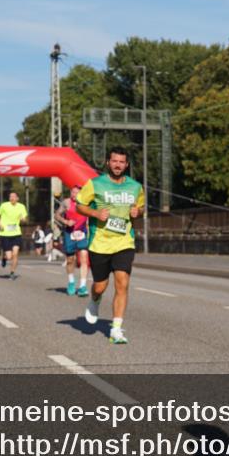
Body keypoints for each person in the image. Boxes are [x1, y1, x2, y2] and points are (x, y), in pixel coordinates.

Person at [76, 147, 144, 344]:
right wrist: (96, 214)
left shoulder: (135, 187)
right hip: (100, 243)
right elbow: (80, 204)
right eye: (114, 161)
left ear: (127, 164)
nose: (118, 165)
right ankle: (95, 299)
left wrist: (137, 213)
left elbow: (140, 207)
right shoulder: (95, 184)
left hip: (124, 242)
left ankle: (116, 329)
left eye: (122, 162)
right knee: (100, 286)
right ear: (108, 162)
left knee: (122, 282)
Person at [55, 185, 91, 297]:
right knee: (70, 260)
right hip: (69, 233)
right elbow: (57, 215)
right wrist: (65, 221)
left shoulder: (86, 203)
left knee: (84, 258)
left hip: (82, 233)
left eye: (76, 192)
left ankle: (83, 286)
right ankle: (71, 282)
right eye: (72, 192)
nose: (74, 194)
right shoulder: (66, 202)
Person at [0, 191, 28, 279]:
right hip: (5, 233)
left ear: (17, 198)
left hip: (16, 233)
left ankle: (12, 272)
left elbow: (25, 219)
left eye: (14, 196)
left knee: (15, 254)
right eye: (10, 197)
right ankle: (4, 258)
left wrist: (23, 219)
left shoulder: (21, 206)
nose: (12, 198)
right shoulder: (4, 205)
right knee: (9, 256)